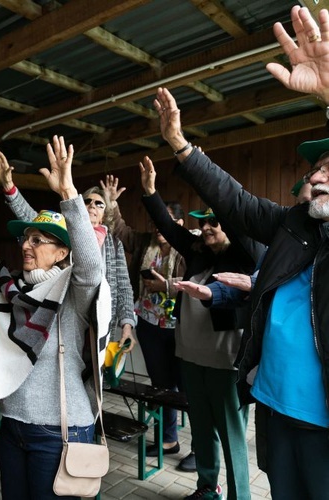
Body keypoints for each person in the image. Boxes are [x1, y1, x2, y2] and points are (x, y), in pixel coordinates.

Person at [151, 6, 329, 495]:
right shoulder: (296, 228)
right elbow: (234, 200)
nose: (314, 177)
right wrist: (181, 145)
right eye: (316, 170)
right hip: (274, 404)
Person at [0, 136, 110, 500]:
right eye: (26, 238)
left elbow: (91, 267)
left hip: (61, 430)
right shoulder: (10, 287)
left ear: (62, 252)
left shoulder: (72, 291)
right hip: (13, 422)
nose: (27, 245)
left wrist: (69, 194)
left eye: (39, 240)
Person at [139, 154, 264, 500]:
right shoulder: (198, 253)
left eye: (215, 222)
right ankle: (208, 488)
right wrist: (150, 193)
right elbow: (169, 228)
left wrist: (222, 206)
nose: (207, 228)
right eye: (204, 223)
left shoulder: (247, 254)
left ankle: (241, 494)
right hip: (190, 356)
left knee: (231, 435)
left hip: (226, 364)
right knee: (201, 428)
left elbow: (239, 225)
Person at [0, 149, 136, 352]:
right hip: (66, 314)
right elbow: (31, 219)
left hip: (100, 321)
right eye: (87, 201)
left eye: (99, 203)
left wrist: (127, 325)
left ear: (104, 214)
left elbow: (124, 287)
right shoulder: (65, 231)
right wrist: (10, 188)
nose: (92, 205)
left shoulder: (114, 245)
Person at [103, 174, 189, 461]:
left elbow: (197, 282)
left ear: (179, 224)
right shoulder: (146, 242)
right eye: (155, 221)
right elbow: (122, 231)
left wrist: (164, 285)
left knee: (189, 389)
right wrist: (112, 205)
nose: (158, 227)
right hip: (151, 325)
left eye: (164, 221)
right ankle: (168, 441)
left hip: (181, 328)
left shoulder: (190, 247)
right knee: (161, 387)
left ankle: (202, 451)